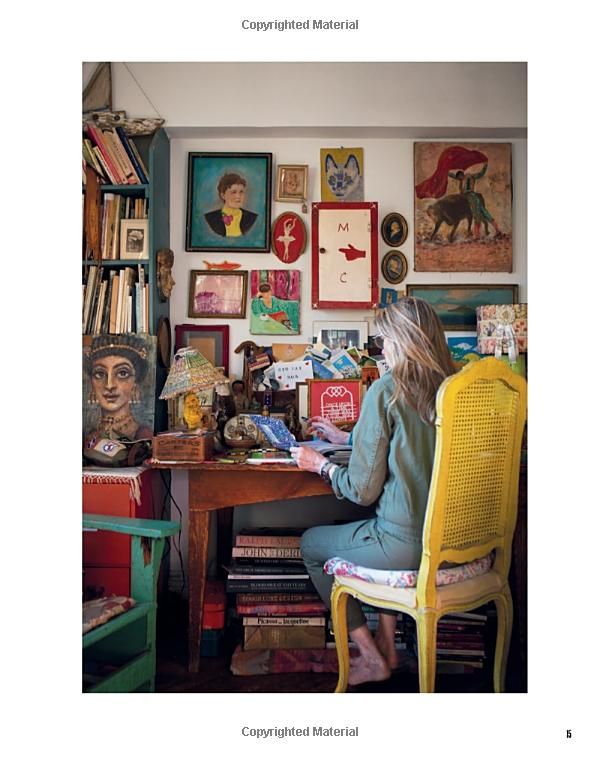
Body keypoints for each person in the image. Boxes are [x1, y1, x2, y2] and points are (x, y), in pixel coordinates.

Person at [290, 297, 456, 686]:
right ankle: (389, 643)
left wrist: (321, 464)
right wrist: (349, 437)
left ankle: (369, 655)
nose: (382, 349)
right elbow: (415, 442)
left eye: (385, 340)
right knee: (372, 522)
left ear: (403, 340)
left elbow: (362, 490)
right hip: (457, 544)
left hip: (407, 547)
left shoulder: (388, 389)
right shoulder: (455, 387)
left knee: (312, 544)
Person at [84, 334, 153, 443]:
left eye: (122, 373)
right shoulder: (91, 435)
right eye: (100, 374)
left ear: (135, 384)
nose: (109, 385)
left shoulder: (142, 435)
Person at [448, 163, 501, 237]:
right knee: (485, 213)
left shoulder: (470, 176)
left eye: (459, 177)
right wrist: (446, 172)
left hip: (471, 197)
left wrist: (485, 166)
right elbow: (453, 176)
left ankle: (477, 235)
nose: (459, 179)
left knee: (477, 215)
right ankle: (498, 231)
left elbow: (481, 174)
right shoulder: (464, 178)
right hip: (473, 196)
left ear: (461, 175)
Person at [204, 173, 257, 237]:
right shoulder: (210, 218)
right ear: (223, 195)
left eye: (241, 192)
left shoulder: (252, 218)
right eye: (233, 192)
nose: (238, 196)